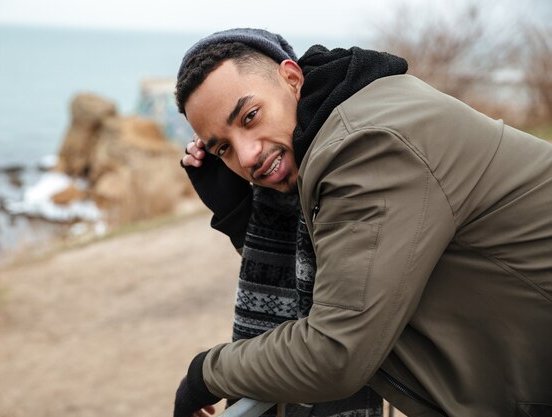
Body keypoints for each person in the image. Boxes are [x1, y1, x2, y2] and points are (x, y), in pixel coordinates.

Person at [172, 28, 552, 417]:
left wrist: (205, 374)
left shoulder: (367, 147)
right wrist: (244, 220)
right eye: (223, 148)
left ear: (291, 77)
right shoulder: (350, 118)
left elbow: (335, 352)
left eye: (250, 116)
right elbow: (344, 277)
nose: (247, 156)